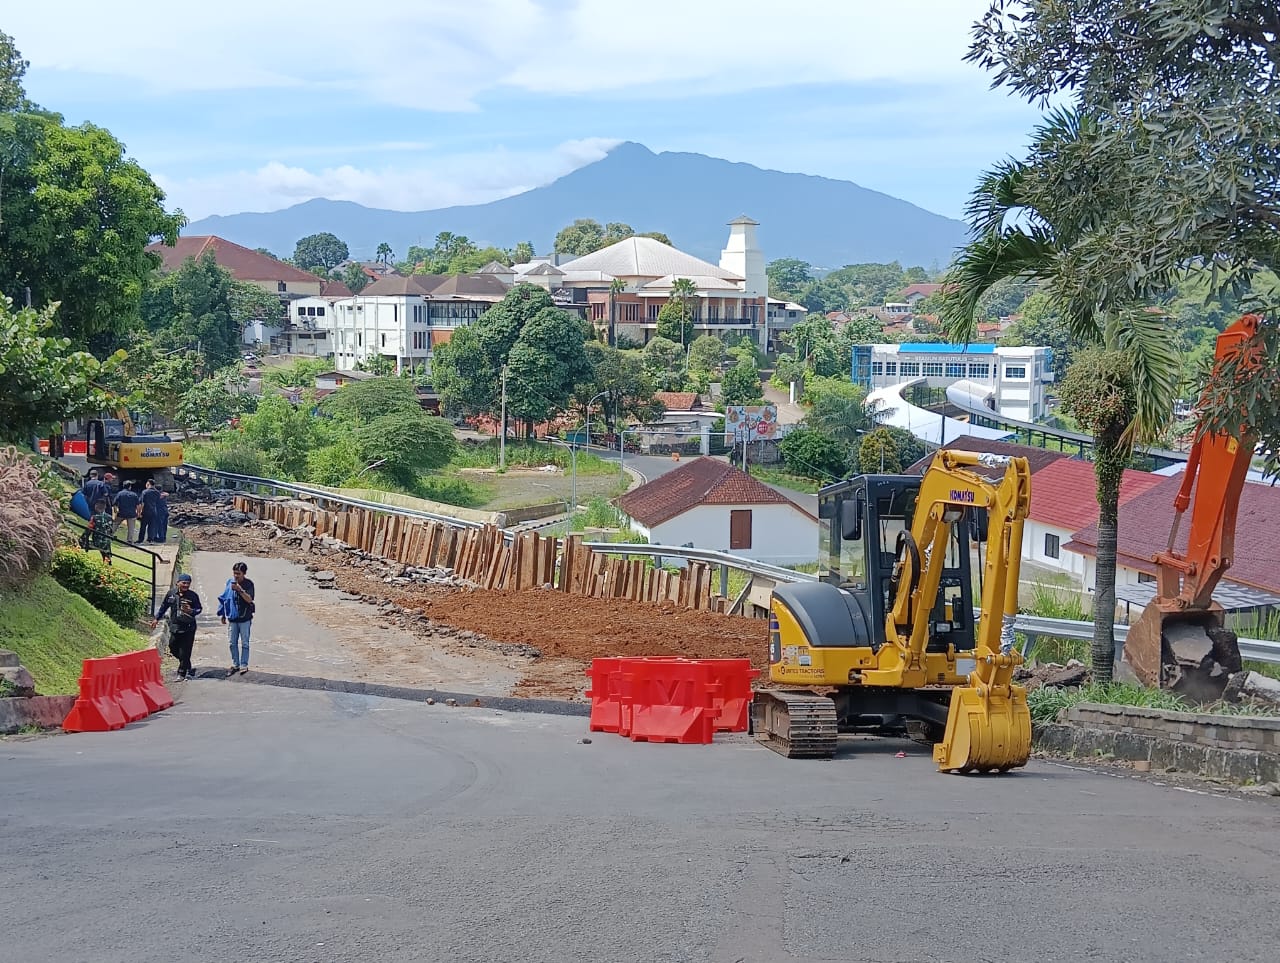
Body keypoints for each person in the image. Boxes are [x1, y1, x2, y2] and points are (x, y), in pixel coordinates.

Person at [154, 574, 202, 680]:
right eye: (184, 583)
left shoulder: (193, 596)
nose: (186, 585)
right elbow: (164, 606)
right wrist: (156, 618)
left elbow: (199, 609)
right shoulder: (171, 594)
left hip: (188, 628)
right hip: (175, 627)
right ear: (178, 583)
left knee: (185, 650)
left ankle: (181, 673)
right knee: (173, 648)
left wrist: (191, 611)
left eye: (188, 583)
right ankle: (186, 664)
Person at [218, 561, 256, 675]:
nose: (236, 576)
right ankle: (235, 664)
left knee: (245, 643)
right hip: (233, 618)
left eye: (238, 573)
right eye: (234, 573)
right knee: (232, 643)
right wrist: (223, 614)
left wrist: (240, 590)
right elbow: (225, 598)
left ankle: (244, 664)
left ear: (244, 574)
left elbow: (249, 599)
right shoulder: (230, 583)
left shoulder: (249, 584)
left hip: (245, 619)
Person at [86, 498, 115, 565]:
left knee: (79, 543)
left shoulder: (94, 517)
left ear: (96, 506)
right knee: (105, 549)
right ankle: (108, 561)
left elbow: (88, 530)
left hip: (97, 541)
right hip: (107, 542)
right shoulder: (110, 517)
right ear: (105, 507)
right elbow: (111, 530)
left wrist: (84, 539)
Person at [140, 478, 161, 544]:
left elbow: (142, 503)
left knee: (143, 526)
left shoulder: (144, 492)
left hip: (146, 511)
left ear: (148, 484)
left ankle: (140, 539)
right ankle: (150, 539)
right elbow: (158, 501)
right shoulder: (157, 492)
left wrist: (140, 511)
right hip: (154, 511)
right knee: (151, 526)